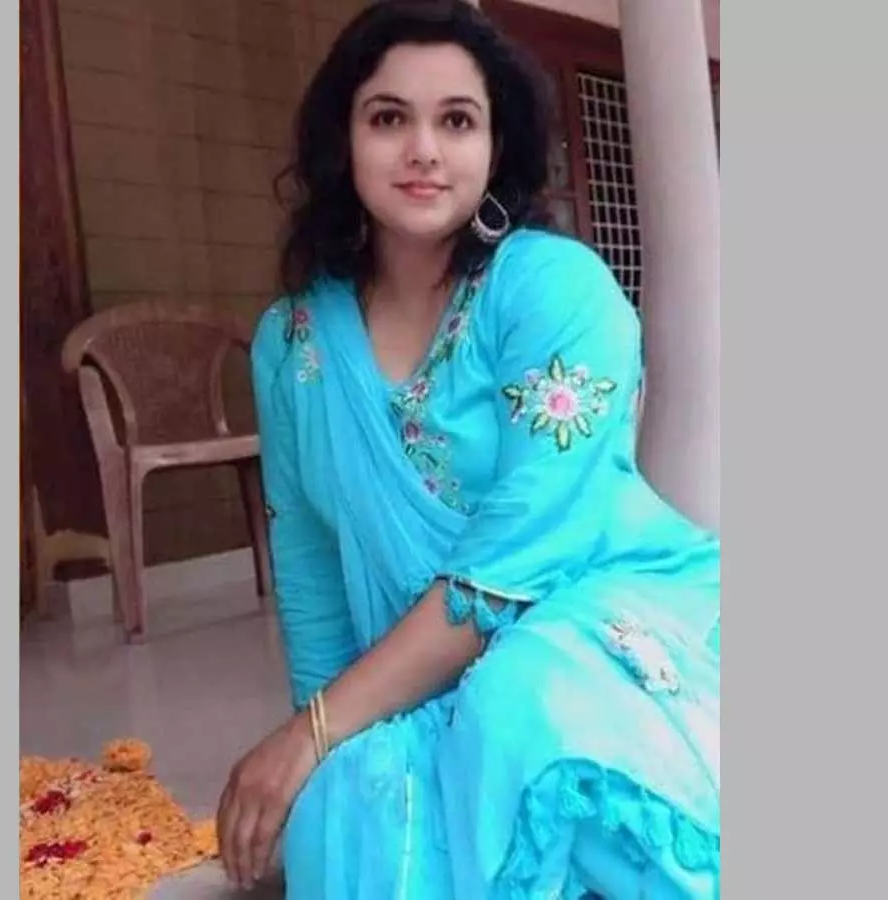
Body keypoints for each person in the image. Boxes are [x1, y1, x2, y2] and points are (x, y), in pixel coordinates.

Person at [215, 2, 721, 897]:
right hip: (414, 674)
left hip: (583, 634)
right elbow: (310, 564)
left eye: (456, 120)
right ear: (343, 140)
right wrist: (320, 745)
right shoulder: (293, 344)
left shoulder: (553, 290)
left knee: (520, 697)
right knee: (355, 801)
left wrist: (316, 728)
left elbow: (512, 567)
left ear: (496, 145)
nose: (423, 150)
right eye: (388, 118)